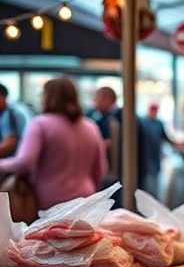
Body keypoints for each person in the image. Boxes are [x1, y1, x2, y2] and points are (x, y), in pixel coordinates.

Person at [0, 76, 107, 210]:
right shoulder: (91, 127)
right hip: (85, 199)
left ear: (47, 97)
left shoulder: (40, 124)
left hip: (49, 202)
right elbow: (100, 169)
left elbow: (25, 163)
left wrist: (2, 164)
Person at [89, 86, 146, 207]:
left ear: (106, 98)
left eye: (96, 100)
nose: (95, 105)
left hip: (119, 177)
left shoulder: (116, 119)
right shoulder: (125, 117)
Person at [138, 102, 173, 198]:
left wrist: (175, 143)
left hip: (156, 157)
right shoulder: (143, 122)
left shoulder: (159, 123)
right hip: (145, 157)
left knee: (155, 183)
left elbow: (165, 137)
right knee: (147, 184)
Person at [0, 82, 34, 158]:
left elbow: (9, 145)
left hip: (17, 160)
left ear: (2, 97)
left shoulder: (10, 113)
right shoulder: (17, 108)